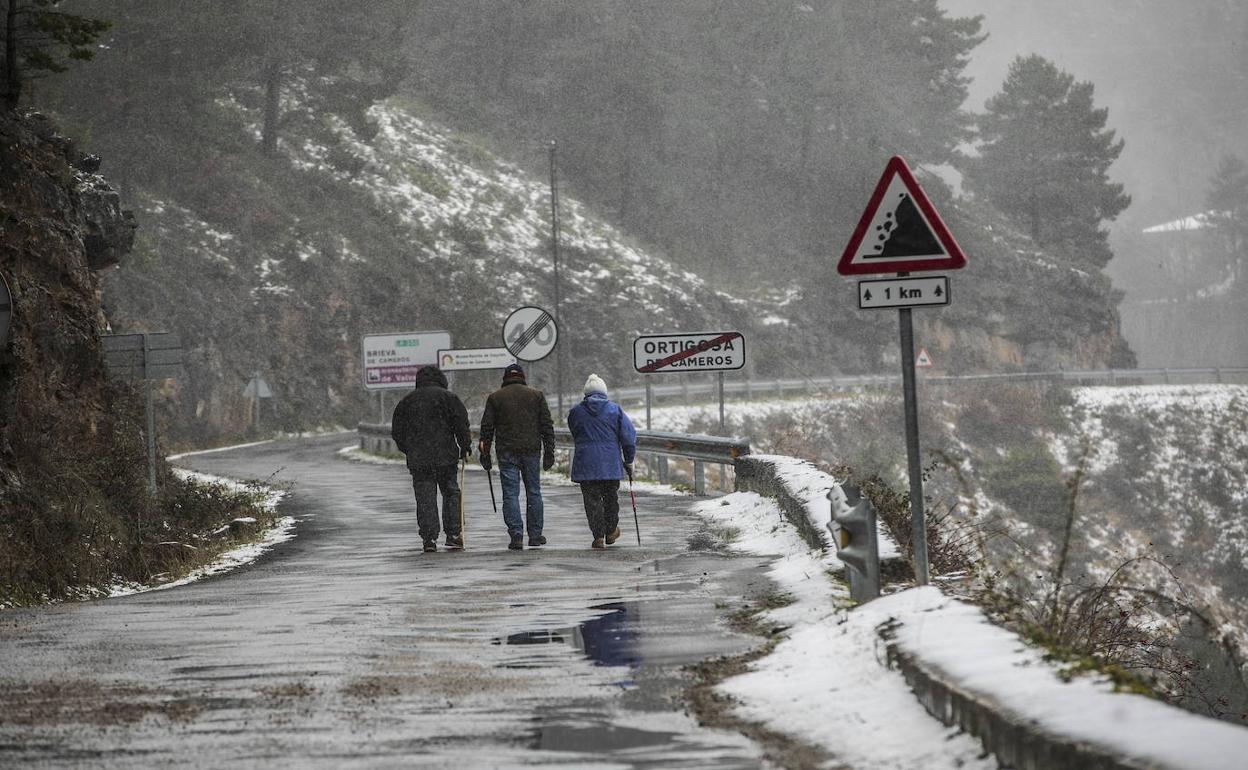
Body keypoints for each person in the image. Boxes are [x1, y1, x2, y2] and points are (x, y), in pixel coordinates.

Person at [391, 365, 472, 553]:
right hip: (446, 457)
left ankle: (429, 538)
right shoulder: (449, 398)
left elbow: (397, 432)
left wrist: (409, 449)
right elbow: (461, 424)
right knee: (451, 493)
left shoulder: (407, 402)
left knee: (425, 497)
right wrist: (464, 446)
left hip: (419, 459)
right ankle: (453, 534)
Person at [478, 363, 555, 550]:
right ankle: (535, 535)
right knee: (534, 492)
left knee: (510, 494)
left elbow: (487, 428)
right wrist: (549, 451)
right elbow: (547, 426)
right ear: (522, 377)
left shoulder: (495, 398)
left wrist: (485, 453)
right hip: (531, 450)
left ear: (505, 378)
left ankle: (516, 535)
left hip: (506, 451)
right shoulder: (536, 396)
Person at [567, 373, 636, 549]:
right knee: (610, 498)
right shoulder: (615, 410)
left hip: (586, 463)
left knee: (592, 501)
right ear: (604, 392)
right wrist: (629, 460)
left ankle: (598, 535)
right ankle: (611, 530)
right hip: (609, 463)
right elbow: (628, 437)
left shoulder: (576, 412)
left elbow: (575, 432)